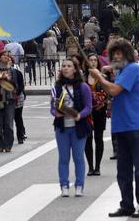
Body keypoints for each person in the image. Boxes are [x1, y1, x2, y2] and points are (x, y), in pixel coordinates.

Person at [89, 39, 139, 218]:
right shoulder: (121, 71)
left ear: (127, 54)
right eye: (114, 54)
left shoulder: (133, 69)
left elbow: (114, 91)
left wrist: (99, 77)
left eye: (120, 53)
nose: (117, 56)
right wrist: (106, 71)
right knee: (123, 170)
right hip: (122, 125)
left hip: (136, 125)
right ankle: (126, 205)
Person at [50, 58, 92, 197]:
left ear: (75, 69)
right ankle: (64, 186)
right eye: (63, 66)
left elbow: (88, 107)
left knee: (78, 157)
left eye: (69, 66)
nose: (66, 68)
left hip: (78, 127)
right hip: (62, 128)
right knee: (63, 158)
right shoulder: (56, 86)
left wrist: (80, 115)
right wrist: (55, 113)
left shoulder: (83, 86)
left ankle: (79, 185)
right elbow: (52, 107)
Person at [0, 50, 22, 153]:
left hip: (9, 100)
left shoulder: (13, 71)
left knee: (8, 124)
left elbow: (18, 86)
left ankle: (8, 145)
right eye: (4, 55)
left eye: (8, 55)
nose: (6, 57)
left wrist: (10, 83)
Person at [85, 54, 108, 176]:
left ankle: (97, 167)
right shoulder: (82, 78)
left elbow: (108, 93)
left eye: (95, 60)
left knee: (99, 138)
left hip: (99, 112)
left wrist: (103, 101)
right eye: (90, 60)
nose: (93, 62)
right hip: (87, 114)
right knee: (88, 139)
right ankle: (90, 167)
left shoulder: (103, 77)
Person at [12, 58, 26, 144]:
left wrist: (16, 92)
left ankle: (20, 135)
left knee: (18, 117)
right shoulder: (0, 72)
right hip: (7, 98)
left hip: (17, 97)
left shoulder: (17, 72)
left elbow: (21, 86)